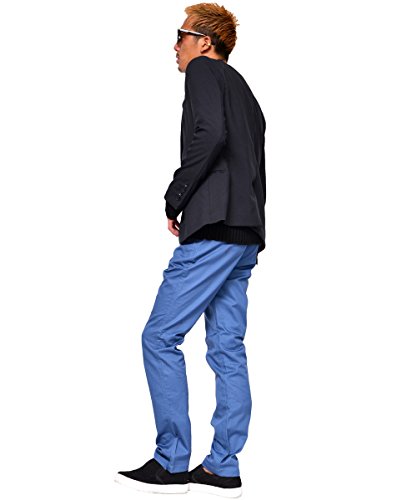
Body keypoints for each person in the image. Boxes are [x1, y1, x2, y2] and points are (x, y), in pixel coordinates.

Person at [115, 3, 266, 497]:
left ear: (205, 42)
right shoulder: (246, 93)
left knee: (159, 337)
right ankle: (223, 465)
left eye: (180, 36)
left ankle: (171, 461)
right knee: (227, 347)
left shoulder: (204, 71)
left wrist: (176, 196)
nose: (174, 46)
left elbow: (210, 134)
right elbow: (252, 162)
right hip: (245, 233)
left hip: (215, 227)